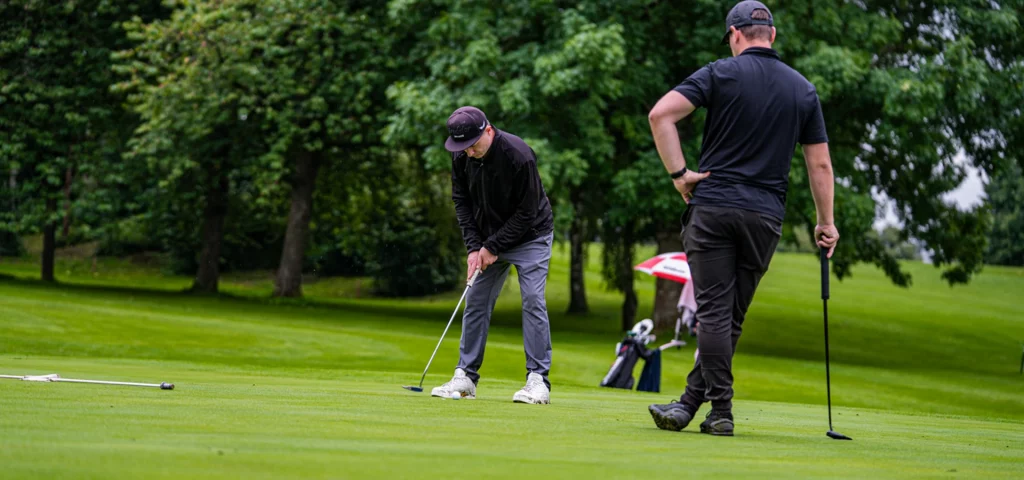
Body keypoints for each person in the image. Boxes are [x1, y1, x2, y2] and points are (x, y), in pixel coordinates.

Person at [645, 1, 840, 436]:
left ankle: (722, 410)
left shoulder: (719, 73)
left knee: (715, 315)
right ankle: (688, 404)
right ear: (772, 35)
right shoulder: (802, 90)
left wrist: (680, 175)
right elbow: (820, 164)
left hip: (713, 207)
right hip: (764, 216)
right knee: (729, 317)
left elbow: (661, 114)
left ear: (735, 34)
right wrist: (825, 222)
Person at [430, 106, 556, 404]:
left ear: (488, 130)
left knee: (533, 300)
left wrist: (492, 247)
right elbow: (461, 200)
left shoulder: (518, 155)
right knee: (475, 300)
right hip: (487, 238)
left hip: (531, 235)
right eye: (463, 147)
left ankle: (538, 380)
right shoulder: (462, 154)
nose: (469, 152)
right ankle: (465, 377)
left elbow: (527, 212)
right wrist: (474, 247)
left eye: (473, 145)